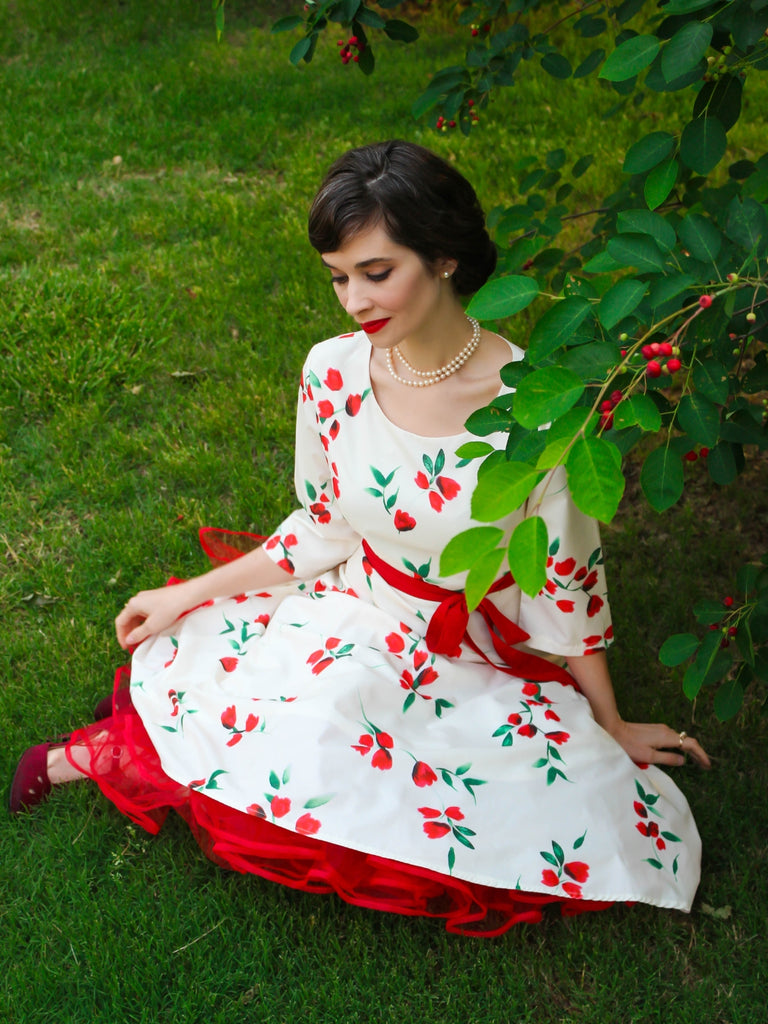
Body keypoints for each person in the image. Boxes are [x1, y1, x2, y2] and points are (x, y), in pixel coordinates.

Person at [9, 140, 710, 936]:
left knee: (559, 811)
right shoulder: (334, 372)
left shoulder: (537, 411)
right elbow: (323, 524)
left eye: (376, 273)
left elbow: (564, 580)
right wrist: (187, 593)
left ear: (444, 258)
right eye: (339, 277)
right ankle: (81, 758)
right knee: (294, 721)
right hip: (354, 604)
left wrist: (609, 724)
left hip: (468, 643)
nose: (354, 301)